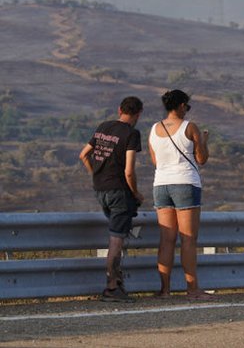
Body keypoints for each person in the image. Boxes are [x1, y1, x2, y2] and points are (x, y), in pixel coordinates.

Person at [147, 89, 215, 300]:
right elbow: (201, 159)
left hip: (161, 185)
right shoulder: (189, 127)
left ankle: (164, 290)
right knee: (188, 239)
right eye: (187, 106)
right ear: (181, 106)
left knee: (166, 239)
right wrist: (203, 140)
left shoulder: (154, 128)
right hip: (185, 183)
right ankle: (192, 289)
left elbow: (156, 162)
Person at [79, 96, 145, 303]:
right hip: (119, 192)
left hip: (101, 190)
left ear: (119, 110)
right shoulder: (132, 134)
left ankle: (118, 282)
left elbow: (83, 155)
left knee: (118, 234)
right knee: (116, 239)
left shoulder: (103, 127)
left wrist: (95, 176)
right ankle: (111, 287)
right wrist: (135, 193)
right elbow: (129, 171)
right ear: (138, 114)